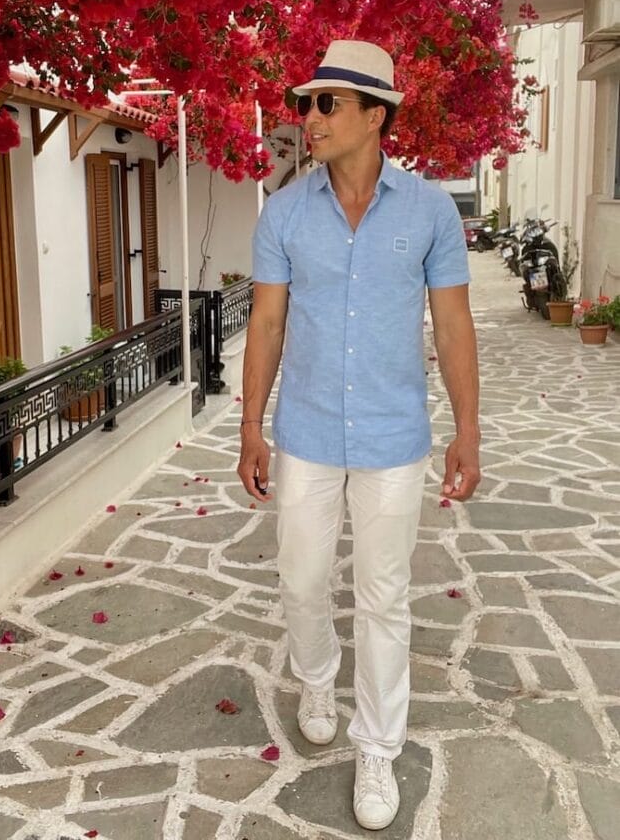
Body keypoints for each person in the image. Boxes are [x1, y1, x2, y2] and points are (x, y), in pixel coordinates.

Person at [237, 40, 480, 831]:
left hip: (392, 435)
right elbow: (266, 321)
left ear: (375, 115)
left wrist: (467, 427)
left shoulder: (429, 211)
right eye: (304, 104)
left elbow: (451, 323)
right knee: (302, 582)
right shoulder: (283, 212)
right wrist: (250, 425)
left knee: (383, 599)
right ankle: (316, 677)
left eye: (326, 103)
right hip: (305, 430)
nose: (308, 118)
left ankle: (376, 746)